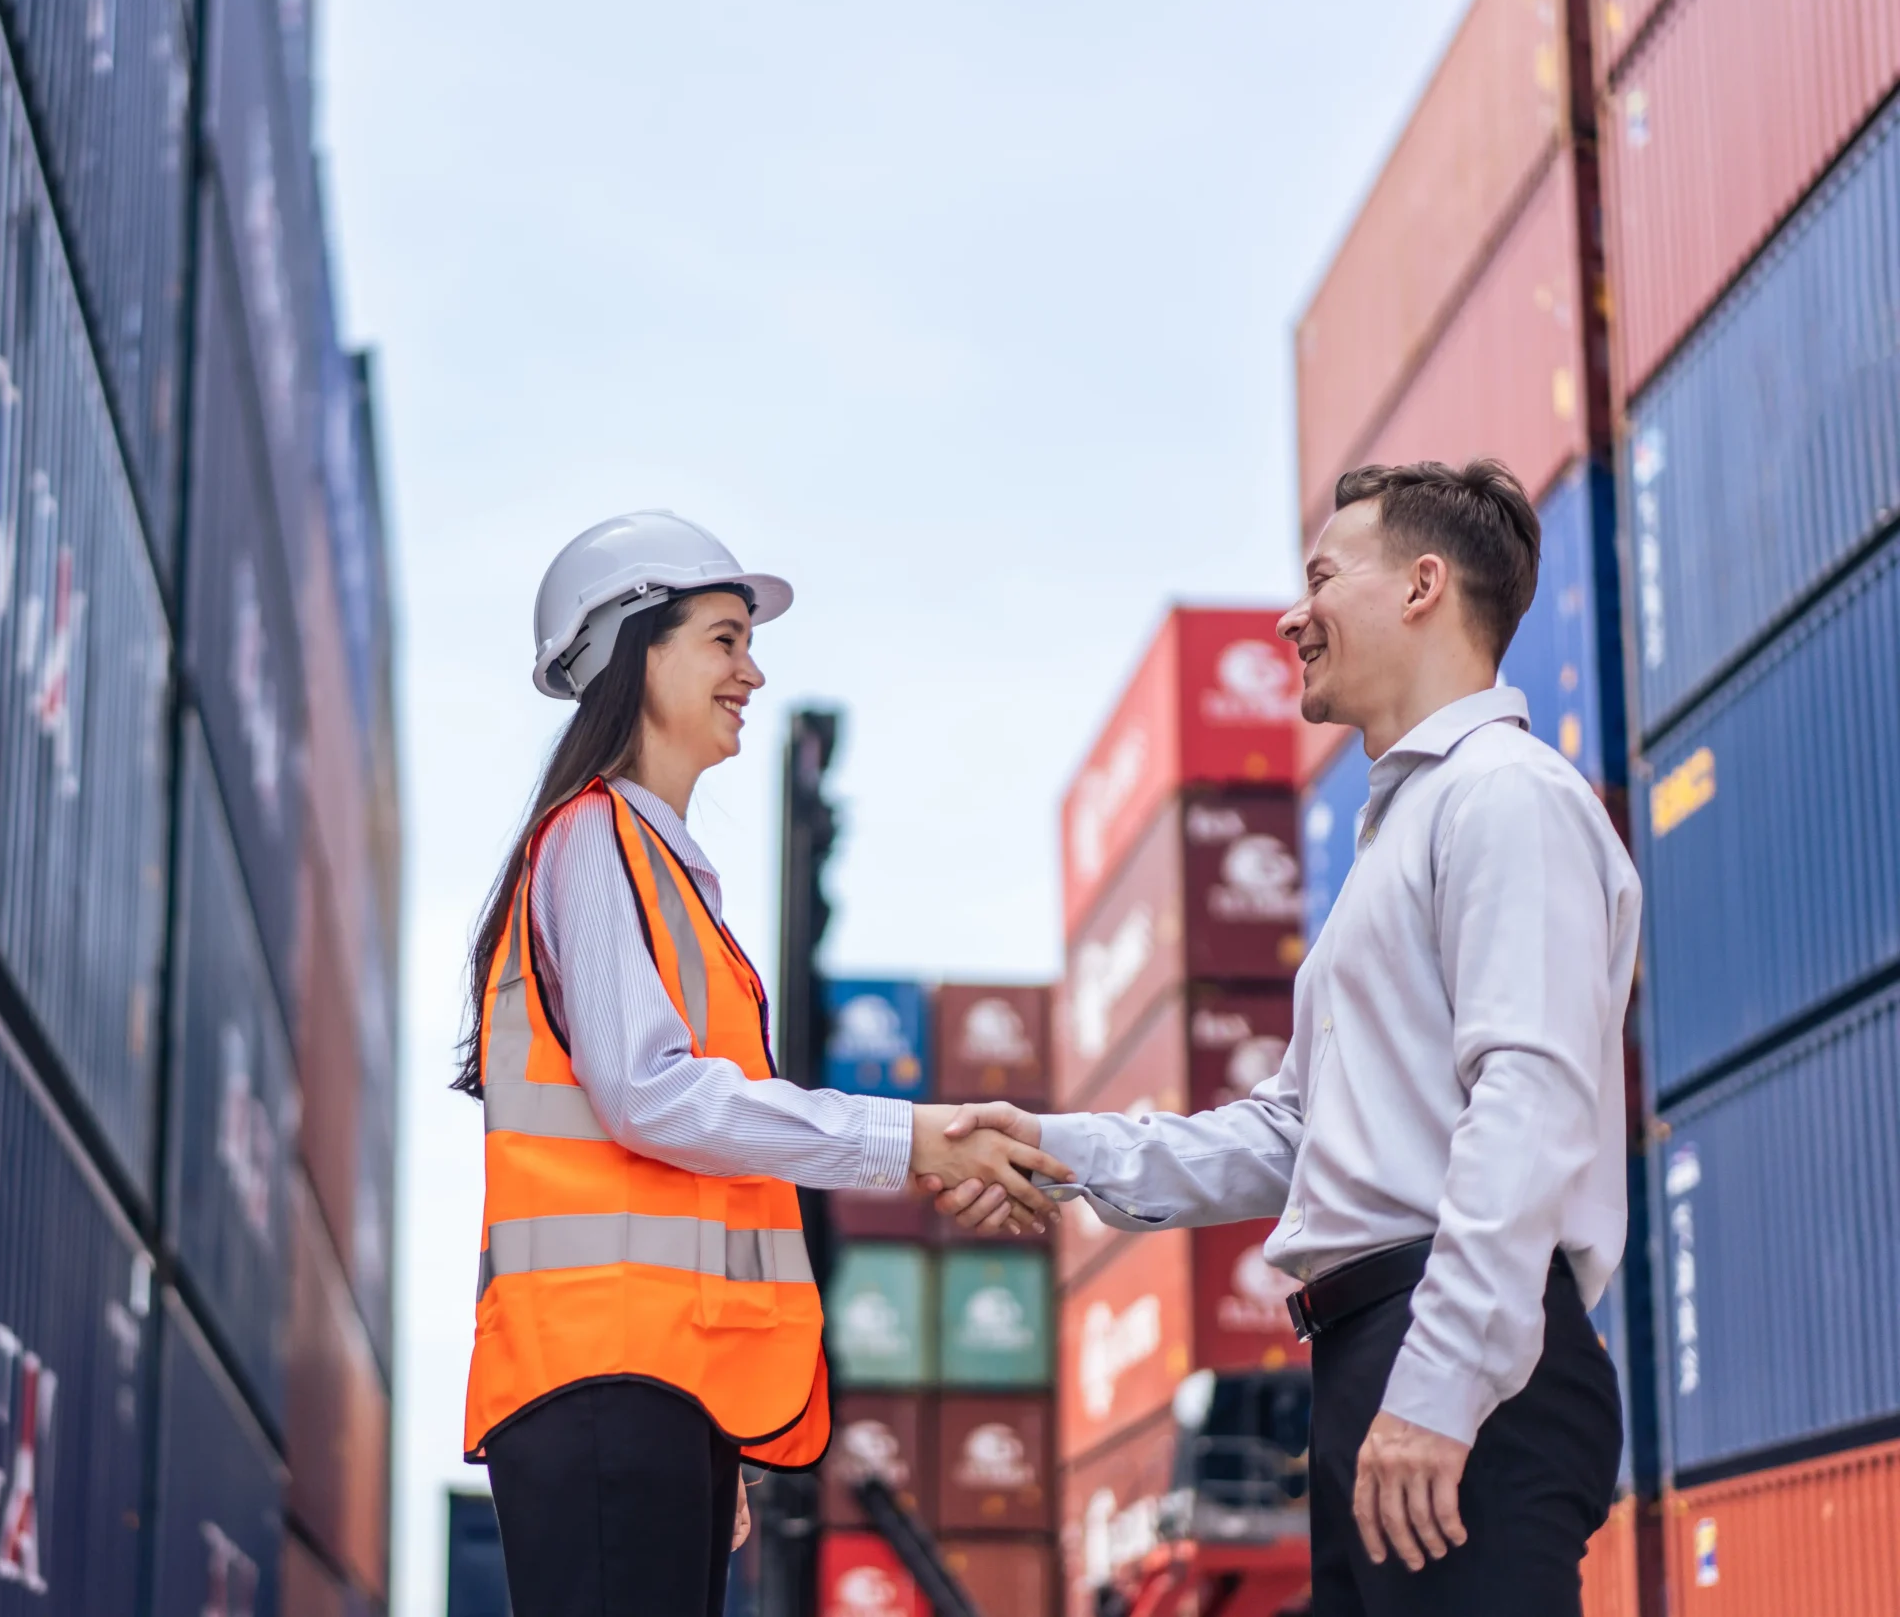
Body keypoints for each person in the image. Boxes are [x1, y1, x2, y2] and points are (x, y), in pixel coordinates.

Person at [929, 460, 1638, 1615]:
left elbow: (1528, 1099)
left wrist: (1441, 1383)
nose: (1289, 615)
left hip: (1456, 1361)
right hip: (1380, 1359)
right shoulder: (1400, 833)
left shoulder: (1506, 799)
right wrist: (1053, 1149)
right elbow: (1291, 1132)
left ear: (1420, 585)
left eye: (1319, 576)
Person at [462, 510, 1062, 1617]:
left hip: (652, 1388)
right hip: (600, 1377)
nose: (753, 670)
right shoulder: (592, 838)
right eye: (725, 638)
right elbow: (651, 1099)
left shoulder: (663, 870)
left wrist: (712, 1423)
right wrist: (911, 1136)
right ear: (630, 649)